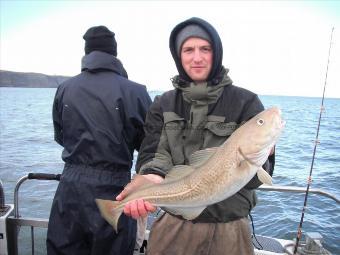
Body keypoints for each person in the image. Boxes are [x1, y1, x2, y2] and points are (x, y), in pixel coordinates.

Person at [116, 17, 275, 255]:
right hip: (175, 226)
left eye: (205, 49)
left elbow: (258, 179)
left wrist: (263, 158)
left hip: (231, 230)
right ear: (178, 56)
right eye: (188, 50)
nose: (197, 57)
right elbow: (152, 153)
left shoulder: (246, 102)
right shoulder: (163, 104)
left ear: (217, 53)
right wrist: (150, 179)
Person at [46, 25, 152, 255]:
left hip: (70, 188)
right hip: (114, 190)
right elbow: (148, 146)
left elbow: (61, 136)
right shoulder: (136, 91)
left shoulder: (64, 88)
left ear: (87, 52)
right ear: (114, 53)